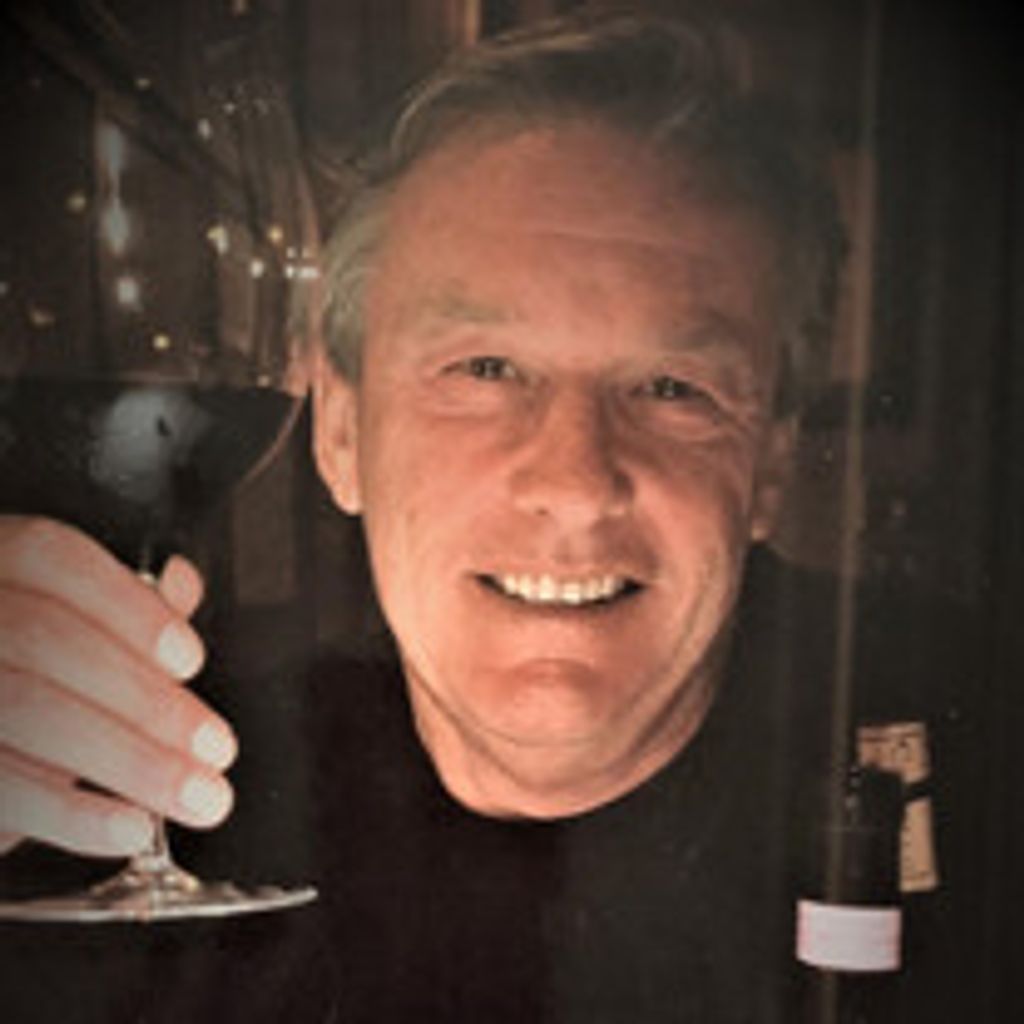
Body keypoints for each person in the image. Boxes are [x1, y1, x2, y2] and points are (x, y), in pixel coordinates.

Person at [0, 9, 969, 1023]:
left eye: (672, 387)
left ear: (770, 462)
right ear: (339, 430)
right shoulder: (141, 785)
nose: (574, 481)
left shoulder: (978, 739)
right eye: (485, 369)